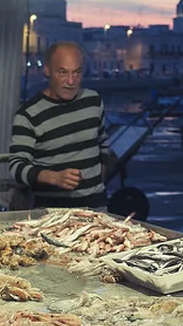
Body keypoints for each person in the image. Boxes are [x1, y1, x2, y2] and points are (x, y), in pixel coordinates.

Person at [9, 41, 114, 208]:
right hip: (51, 213)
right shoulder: (28, 115)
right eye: (63, 72)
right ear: (47, 70)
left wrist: (98, 180)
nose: (71, 81)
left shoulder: (93, 101)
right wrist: (53, 177)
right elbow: (16, 167)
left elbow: (103, 144)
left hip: (97, 208)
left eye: (77, 72)